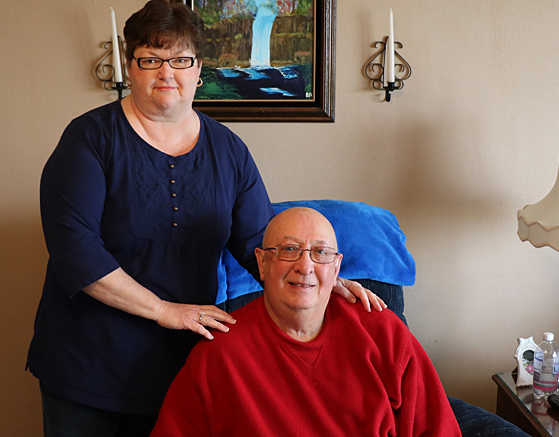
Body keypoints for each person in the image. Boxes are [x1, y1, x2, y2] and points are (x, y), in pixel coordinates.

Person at [26, 2, 381, 436]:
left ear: (199, 70)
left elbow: (259, 246)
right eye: (150, 59)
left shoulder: (228, 150)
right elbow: (76, 253)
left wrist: (322, 280)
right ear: (131, 67)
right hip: (88, 368)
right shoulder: (88, 140)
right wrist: (164, 310)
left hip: (186, 368)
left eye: (180, 60)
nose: (165, 73)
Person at [151, 207, 462, 436]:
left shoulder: (384, 333)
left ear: (337, 267)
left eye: (321, 252)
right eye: (289, 250)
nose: (305, 266)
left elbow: (439, 430)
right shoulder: (218, 355)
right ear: (262, 262)